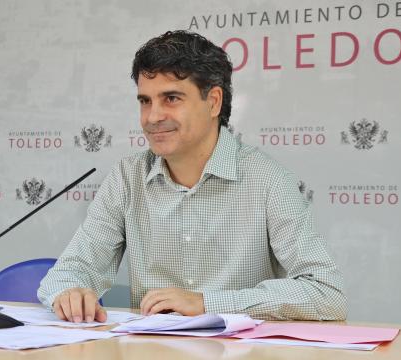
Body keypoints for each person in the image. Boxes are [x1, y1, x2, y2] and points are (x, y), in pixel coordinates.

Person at [38, 30, 347, 323]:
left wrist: (206, 303)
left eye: (171, 98)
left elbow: (325, 292)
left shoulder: (268, 179)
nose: (153, 117)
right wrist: (69, 293)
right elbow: (69, 272)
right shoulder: (126, 177)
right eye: (145, 101)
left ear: (213, 102)